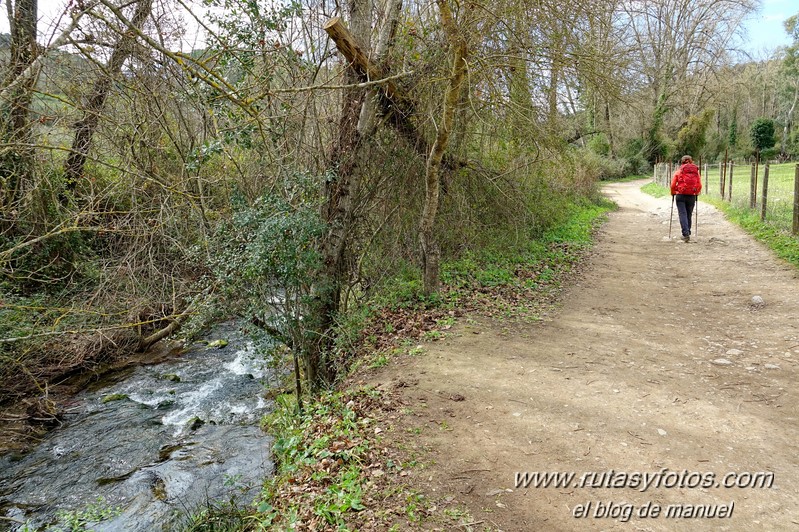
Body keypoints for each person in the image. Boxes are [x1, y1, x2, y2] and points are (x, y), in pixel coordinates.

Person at [670, 155, 702, 242]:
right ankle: (688, 231)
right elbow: (700, 184)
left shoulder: (679, 171)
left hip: (681, 195)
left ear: (682, 162)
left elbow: (673, 185)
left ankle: (686, 234)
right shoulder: (696, 173)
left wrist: (673, 192)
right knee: (689, 214)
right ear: (691, 161)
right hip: (692, 195)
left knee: (682, 214)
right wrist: (696, 192)